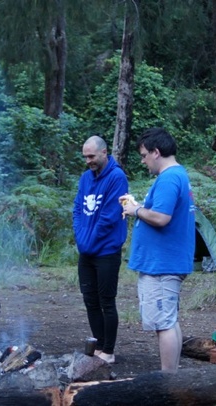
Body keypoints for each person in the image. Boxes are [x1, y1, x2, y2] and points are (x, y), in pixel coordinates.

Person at [120, 128, 195, 372]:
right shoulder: (175, 176)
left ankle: (168, 380)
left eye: (144, 155)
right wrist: (140, 206)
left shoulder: (169, 178)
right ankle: (171, 377)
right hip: (163, 262)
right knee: (168, 321)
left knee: (164, 323)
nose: (143, 161)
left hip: (163, 264)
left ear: (156, 152)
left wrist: (135, 211)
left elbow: (161, 218)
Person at [73, 135, 129, 364]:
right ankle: (97, 346)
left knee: (106, 300)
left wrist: (89, 242)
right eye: (85, 156)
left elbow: (108, 217)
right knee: (90, 300)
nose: (88, 161)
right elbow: (77, 209)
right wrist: (81, 239)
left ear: (104, 152)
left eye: (92, 156)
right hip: (86, 251)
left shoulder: (117, 177)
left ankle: (109, 350)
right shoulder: (86, 178)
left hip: (106, 251)